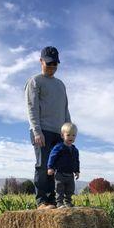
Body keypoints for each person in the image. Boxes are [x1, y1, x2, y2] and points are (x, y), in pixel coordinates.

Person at [25, 46, 71, 209]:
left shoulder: (61, 85)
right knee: (43, 165)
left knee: (57, 168)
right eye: (49, 64)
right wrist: (37, 131)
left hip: (59, 133)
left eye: (55, 64)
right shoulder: (35, 81)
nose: (52, 67)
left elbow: (65, 109)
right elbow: (32, 108)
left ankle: (54, 200)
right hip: (42, 131)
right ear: (41, 61)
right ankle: (42, 201)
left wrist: (69, 130)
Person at [47, 122, 80, 208]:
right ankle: (59, 203)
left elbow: (76, 161)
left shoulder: (75, 150)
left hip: (70, 174)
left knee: (70, 189)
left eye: (73, 135)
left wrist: (77, 171)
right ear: (62, 135)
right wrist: (50, 167)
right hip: (60, 173)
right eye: (68, 135)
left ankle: (68, 202)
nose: (71, 137)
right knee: (59, 189)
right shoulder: (59, 147)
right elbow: (52, 157)